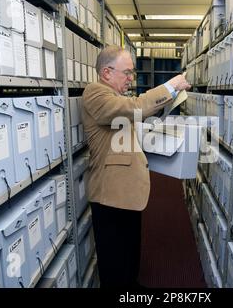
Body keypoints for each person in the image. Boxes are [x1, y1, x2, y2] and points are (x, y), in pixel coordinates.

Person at [81, 45, 191, 288]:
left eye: (132, 73)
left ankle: (131, 285)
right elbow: (133, 108)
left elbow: (134, 117)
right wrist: (170, 86)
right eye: (127, 73)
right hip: (110, 196)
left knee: (129, 253)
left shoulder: (115, 96)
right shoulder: (95, 93)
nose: (131, 78)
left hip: (127, 193)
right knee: (114, 263)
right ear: (106, 73)